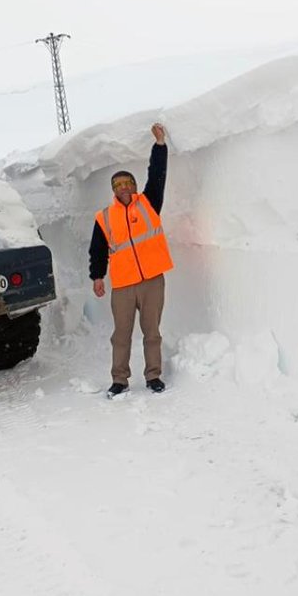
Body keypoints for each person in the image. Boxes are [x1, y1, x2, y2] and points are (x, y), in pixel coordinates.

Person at [89, 123, 174, 398]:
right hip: (124, 285)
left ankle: (154, 376)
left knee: (152, 333)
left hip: (152, 281)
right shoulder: (104, 216)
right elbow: (98, 249)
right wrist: (97, 276)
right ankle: (120, 380)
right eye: (119, 185)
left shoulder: (149, 203)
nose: (124, 188)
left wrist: (159, 145)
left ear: (134, 187)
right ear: (114, 191)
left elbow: (157, 175)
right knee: (121, 335)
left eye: (128, 183)